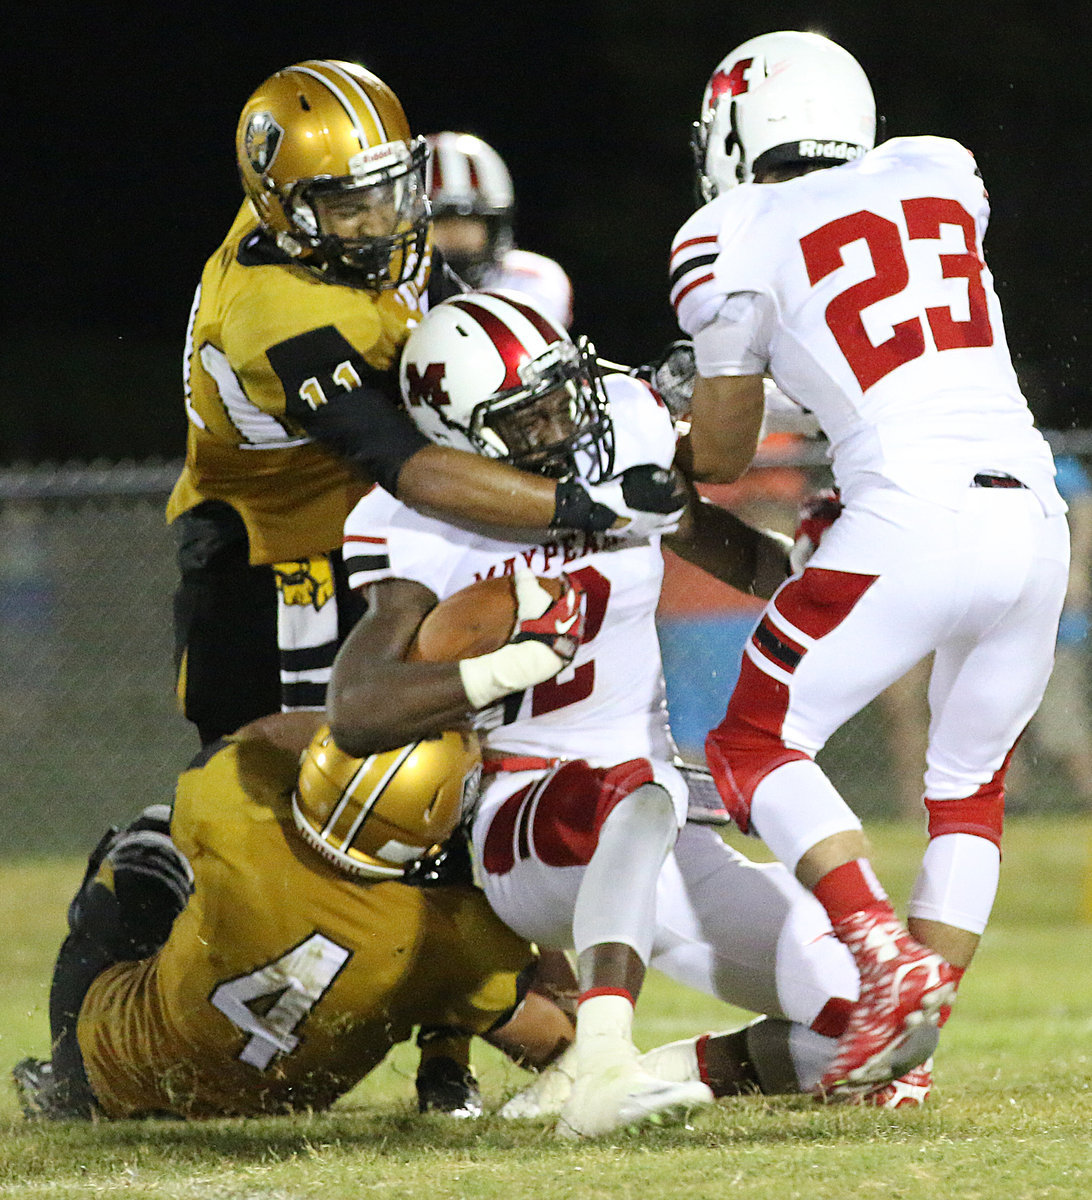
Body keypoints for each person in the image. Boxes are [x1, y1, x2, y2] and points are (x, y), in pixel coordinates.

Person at [331, 290, 941, 1133]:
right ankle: (606, 1056)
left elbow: (712, 542)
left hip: (660, 820)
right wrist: (503, 667)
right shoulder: (424, 519)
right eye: (527, 417)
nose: (560, 425)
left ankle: (641, 1067)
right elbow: (357, 711)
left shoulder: (622, 423)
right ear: (461, 438)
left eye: (559, 396)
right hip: (525, 817)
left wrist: (811, 569)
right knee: (634, 793)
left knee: (891, 1021)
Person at [670, 30, 1069, 1097]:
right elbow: (895, 346)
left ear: (741, 127)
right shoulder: (940, 171)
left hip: (913, 513)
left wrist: (691, 397)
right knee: (969, 788)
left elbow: (718, 455)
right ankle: (907, 1055)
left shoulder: (730, 230)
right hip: (1034, 515)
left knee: (753, 744)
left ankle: (882, 963)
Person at [167, 59, 684, 747]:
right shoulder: (272, 315)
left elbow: (468, 355)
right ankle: (158, 851)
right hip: (277, 549)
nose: (385, 222)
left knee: (436, 761)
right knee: (292, 775)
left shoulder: (349, 228)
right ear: (283, 211)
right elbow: (412, 465)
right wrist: (592, 507)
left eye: (393, 191)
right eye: (352, 207)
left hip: (374, 526)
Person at [12, 711, 577, 1120]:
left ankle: (65, 1091)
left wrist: (357, 720)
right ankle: (445, 1064)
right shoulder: (454, 935)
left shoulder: (242, 820)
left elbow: (255, 735)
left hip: (116, 1068)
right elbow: (557, 1041)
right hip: (284, 1106)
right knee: (453, 983)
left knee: (151, 840)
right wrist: (536, 929)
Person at [424, 131, 573, 329]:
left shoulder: (532, 280)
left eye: (469, 221)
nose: (456, 233)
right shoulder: (395, 293)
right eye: (441, 222)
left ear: (495, 225)